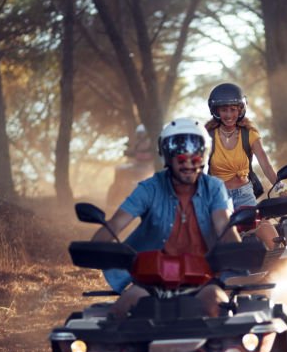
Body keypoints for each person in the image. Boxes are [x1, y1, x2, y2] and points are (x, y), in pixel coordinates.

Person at [99, 117, 239, 319]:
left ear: (204, 157)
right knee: (119, 314)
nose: (189, 165)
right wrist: (96, 247)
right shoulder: (149, 188)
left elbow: (224, 226)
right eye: (181, 159)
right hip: (150, 280)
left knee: (221, 309)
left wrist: (237, 249)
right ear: (168, 158)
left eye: (196, 158)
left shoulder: (214, 187)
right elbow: (115, 224)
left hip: (203, 279)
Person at [205, 83, 287, 208]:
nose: (228, 115)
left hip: (244, 195)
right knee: (220, 227)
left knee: (263, 226)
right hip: (217, 196)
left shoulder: (249, 134)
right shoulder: (207, 137)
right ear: (216, 111)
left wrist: (281, 188)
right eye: (224, 110)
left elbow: (266, 165)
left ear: (240, 110)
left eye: (233, 110)